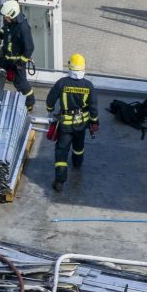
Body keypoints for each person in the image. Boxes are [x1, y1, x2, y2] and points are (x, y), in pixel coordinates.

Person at [46, 53, 99, 192]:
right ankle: (77, 164)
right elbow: (93, 107)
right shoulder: (88, 85)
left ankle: (59, 181)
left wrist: (50, 109)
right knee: (78, 146)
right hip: (81, 125)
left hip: (65, 126)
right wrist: (94, 123)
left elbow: (50, 99)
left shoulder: (62, 83)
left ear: (69, 67)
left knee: (61, 152)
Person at [0, 0, 35, 112]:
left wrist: (21, 63)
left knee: (21, 84)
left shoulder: (23, 28)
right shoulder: (11, 22)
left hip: (17, 62)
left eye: (6, 16)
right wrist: (0, 35)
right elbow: (6, 30)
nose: (5, 19)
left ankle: (29, 102)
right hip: (5, 57)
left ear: (12, 14)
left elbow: (29, 48)